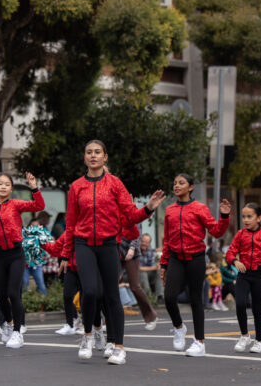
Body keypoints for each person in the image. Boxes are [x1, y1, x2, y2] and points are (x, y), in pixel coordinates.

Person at [60, 140, 165, 365]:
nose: (93, 156)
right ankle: (87, 336)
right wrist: (66, 254)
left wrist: (148, 208)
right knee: (88, 291)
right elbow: (70, 223)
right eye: (89, 152)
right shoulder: (76, 186)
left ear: (105, 157)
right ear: (85, 157)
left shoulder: (115, 184)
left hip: (109, 244)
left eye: (98, 152)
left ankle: (119, 347)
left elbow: (130, 216)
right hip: (83, 244)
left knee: (111, 295)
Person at [160, 173, 231, 357]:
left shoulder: (200, 208)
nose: (176, 186)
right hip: (176, 258)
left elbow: (216, 232)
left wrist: (224, 216)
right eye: (175, 183)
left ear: (190, 187)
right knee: (169, 297)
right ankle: (179, 327)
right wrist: (163, 264)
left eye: (181, 183)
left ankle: (199, 342)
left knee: (195, 299)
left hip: (196, 258)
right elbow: (167, 240)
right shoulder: (169, 210)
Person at [0, 172, 45, 350]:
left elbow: (39, 205)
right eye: (0, 183)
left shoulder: (15, 204)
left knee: (14, 293)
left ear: (11, 189)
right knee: (1, 296)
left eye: (7, 184)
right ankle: (7, 324)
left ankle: (17, 331)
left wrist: (34, 187)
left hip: (16, 254)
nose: (4, 186)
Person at [226, 203, 261, 353]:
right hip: (244, 275)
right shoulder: (241, 234)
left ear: (259, 218)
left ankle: (259, 342)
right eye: (243, 217)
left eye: (250, 216)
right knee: (240, 304)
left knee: (257, 309)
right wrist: (235, 261)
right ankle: (244, 336)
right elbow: (230, 253)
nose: (246, 220)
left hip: (260, 275)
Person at [119, 219, 158, 330]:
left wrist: (132, 248)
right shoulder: (113, 208)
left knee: (134, 286)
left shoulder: (133, 211)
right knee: (110, 287)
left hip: (132, 253)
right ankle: (107, 322)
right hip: (117, 251)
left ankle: (151, 316)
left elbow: (137, 233)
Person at [41, 231, 80, 336]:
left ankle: (98, 324)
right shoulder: (68, 232)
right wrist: (40, 241)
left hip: (86, 267)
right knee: (67, 296)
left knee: (92, 296)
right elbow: (55, 249)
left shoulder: (88, 228)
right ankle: (70, 324)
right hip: (70, 267)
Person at [138, 234, 160, 298]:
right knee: (143, 273)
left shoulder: (150, 252)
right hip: (136, 275)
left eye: (147, 242)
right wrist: (154, 267)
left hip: (148, 275)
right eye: (143, 241)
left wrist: (157, 266)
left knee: (158, 272)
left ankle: (160, 296)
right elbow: (139, 269)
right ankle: (148, 297)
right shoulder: (136, 251)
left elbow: (154, 265)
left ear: (149, 243)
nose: (144, 243)